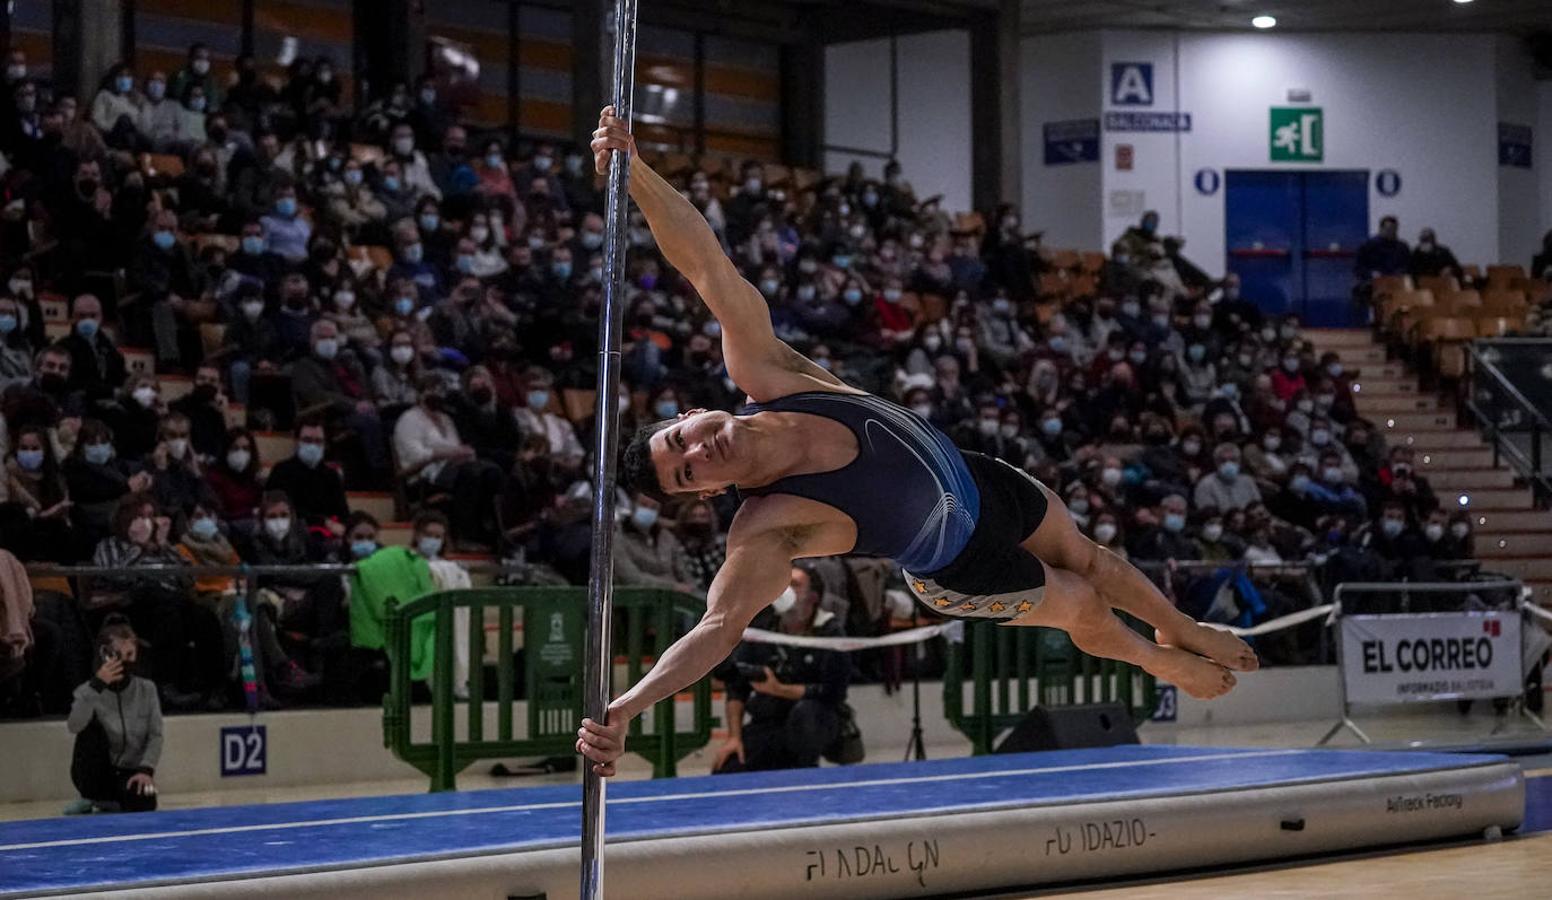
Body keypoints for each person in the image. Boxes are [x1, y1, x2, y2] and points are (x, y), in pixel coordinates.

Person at [578, 108, 1254, 776]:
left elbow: (705, 265)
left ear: (693, 411)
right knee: (1079, 601)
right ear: (708, 493)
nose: (698, 455)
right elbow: (716, 630)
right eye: (687, 474)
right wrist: (628, 706)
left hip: (977, 478)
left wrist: (637, 175)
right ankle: (1156, 659)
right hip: (956, 570)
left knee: (1093, 559)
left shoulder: (768, 371)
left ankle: (1182, 628)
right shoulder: (766, 527)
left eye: (682, 441)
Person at [713, 565, 850, 774]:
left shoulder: (830, 631)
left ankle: (806, 773)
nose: (784, 590)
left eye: (794, 585)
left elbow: (834, 693)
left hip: (816, 719)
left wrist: (779, 689)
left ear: (813, 597)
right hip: (771, 720)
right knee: (729, 768)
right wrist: (734, 737)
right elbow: (736, 685)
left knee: (806, 716)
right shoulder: (763, 628)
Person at [65, 616, 162, 814]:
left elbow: (155, 735)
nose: (125, 661)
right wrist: (96, 686)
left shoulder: (147, 689)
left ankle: (109, 803)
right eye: (119, 654)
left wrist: (146, 770)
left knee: (147, 800)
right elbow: (74, 725)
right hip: (97, 771)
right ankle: (91, 797)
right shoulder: (88, 691)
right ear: (106, 655)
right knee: (91, 730)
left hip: (130, 771)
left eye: (130, 654)